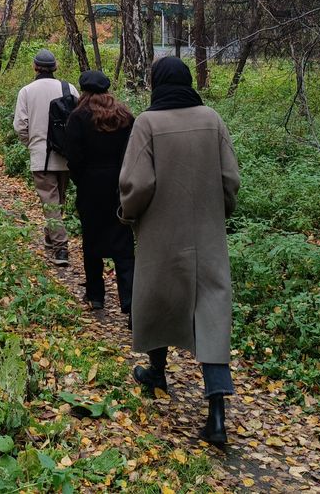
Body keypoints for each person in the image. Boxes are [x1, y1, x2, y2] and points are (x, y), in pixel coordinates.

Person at [119, 56, 240, 448]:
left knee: (158, 300)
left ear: (156, 84)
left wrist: (129, 214)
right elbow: (230, 179)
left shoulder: (147, 123)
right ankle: (216, 414)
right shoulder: (213, 119)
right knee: (212, 315)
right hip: (207, 236)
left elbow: (137, 184)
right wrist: (218, 212)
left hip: (160, 233)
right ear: (188, 82)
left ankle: (157, 370)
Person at [63, 69, 135, 316]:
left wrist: (80, 180)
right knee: (123, 242)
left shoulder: (78, 117)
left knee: (91, 240)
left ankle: (96, 296)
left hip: (90, 186)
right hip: (120, 185)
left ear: (84, 90)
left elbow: (73, 157)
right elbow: (132, 152)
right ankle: (129, 300)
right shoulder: (125, 116)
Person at [13, 49, 78, 266]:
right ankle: (51, 237)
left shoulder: (27, 91)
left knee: (51, 202)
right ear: (55, 67)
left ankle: (61, 249)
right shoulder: (69, 89)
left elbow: (20, 125)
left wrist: (31, 144)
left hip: (41, 157)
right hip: (66, 156)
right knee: (58, 199)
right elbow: (80, 120)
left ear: (35, 66)